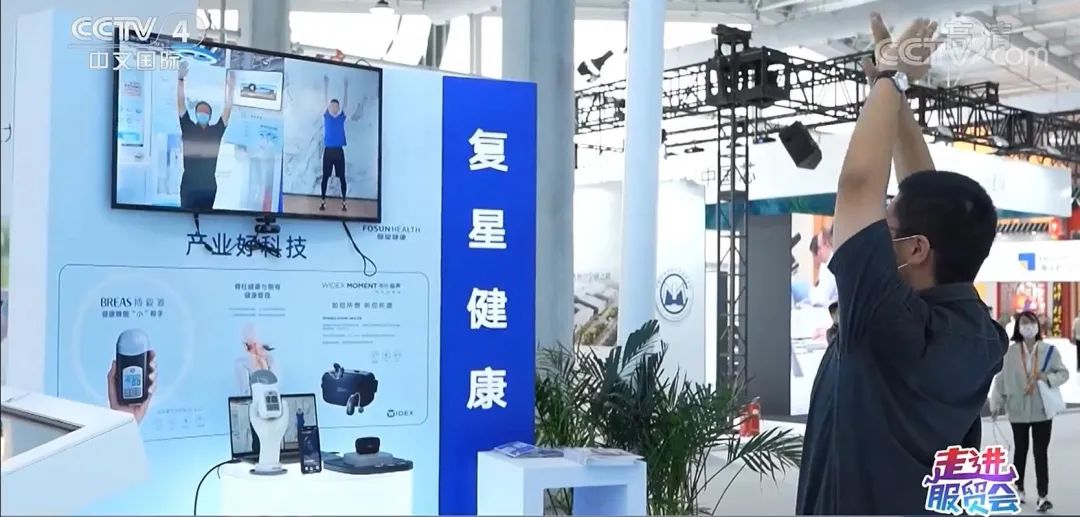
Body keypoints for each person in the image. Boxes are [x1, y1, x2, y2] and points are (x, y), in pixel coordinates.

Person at [796, 14, 1007, 515]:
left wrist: (891, 77)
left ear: (915, 250)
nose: (875, 230)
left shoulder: (884, 323)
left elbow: (856, 187)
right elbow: (928, 200)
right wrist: (894, 95)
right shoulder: (978, 333)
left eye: (885, 227)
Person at [990, 311, 1069, 512]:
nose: (1027, 326)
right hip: (1017, 409)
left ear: (1037, 326)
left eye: (1031, 322)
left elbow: (1063, 373)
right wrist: (996, 403)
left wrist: (1047, 377)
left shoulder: (1049, 351)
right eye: (1024, 323)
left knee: (1040, 452)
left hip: (1042, 410)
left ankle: (1043, 495)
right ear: (1018, 327)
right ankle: (1019, 489)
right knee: (1020, 450)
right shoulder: (1010, 353)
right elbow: (1000, 380)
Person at [177, 60, 234, 210]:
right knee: (186, 218)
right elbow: (181, 104)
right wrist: (180, 80)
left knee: (206, 218)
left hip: (208, 186)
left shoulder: (215, 132)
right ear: (196, 114)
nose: (203, 113)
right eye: (200, 111)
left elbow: (227, 111)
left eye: (205, 112)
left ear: (209, 115)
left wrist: (231, 89)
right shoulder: (188, 128)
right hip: (189, 185)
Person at [320, 75, 349, 211]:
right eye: (332, 106)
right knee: (325, 177)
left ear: (338, 108)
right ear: (329, 107)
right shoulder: (326, 116)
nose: (334, 107)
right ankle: (323, 201)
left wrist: (346, 87)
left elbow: (346, 104)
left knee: (342, 177)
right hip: (328, 151)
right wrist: (326, 84)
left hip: (338, 152)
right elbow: (324, 100)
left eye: (336, 106)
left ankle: (344, 202)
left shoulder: (341, 117)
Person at [234, 323, 276, 396]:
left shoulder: (270, 361)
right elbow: (245, 392)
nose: (257, 348)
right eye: (253, 345)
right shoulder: (241, 364)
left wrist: (264, 367)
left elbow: (274, 389)